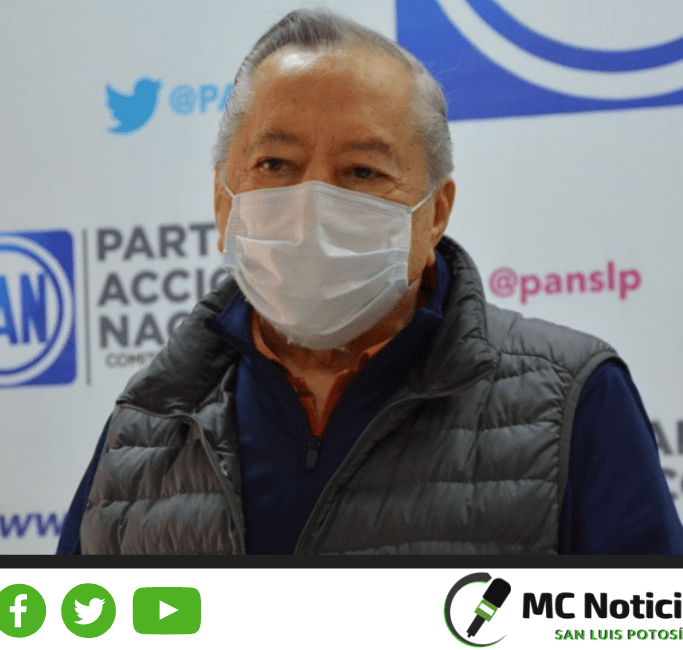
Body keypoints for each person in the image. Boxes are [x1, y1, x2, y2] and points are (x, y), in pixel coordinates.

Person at [57, 8, 683, 554]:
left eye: (362, 172)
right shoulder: (147, 428)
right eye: (275, 163)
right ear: (224, 203)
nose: (311, 206)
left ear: (435, 214)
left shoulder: (573, 403)